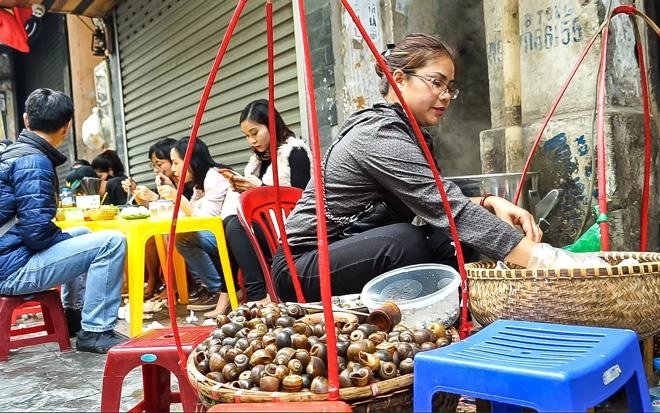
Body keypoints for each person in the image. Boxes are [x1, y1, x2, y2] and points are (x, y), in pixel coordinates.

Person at [271, 33, 605, 303]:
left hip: (348, 248)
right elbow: (448, 208)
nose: (445, 96)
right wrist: (548, 261)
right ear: (399, 79)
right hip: (302, 267)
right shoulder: (378, 136)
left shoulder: (407, 132)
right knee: (404, 242)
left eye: (450, 87)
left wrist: (491, 203)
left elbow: (435, 205)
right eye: (436, 82)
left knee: (447, 239)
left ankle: (458, 310)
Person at [0, 88, 127, 353]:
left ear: (26, 120)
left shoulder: (15, 153)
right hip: (10, 269)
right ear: (67, 126)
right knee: (112, 242)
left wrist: (64, 237)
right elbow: (37, 234)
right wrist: (60, 236)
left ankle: (72, 315)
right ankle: (96, 330)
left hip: (7, 257)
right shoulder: (33, 160)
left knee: (80, 232)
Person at [203, 99, 312, 318]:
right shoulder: (257, 161)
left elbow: (302, 197)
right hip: (266, 223)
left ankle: (257, 295)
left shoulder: (295, 152)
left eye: (255, 132)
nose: (252, 140)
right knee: (228, 223)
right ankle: (232, 291)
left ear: (271, 124)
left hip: (291, 226)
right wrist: (243, 189)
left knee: (235, 226)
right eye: (247, 136)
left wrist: (260, 188)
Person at [157, 137, 231, 311]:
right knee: (180, 236)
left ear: (190, 159)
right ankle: (207, 286)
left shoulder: (215, 177)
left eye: (176, 163)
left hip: (230, 236)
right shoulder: (200, 183)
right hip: (219, 235)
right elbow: (187, 213)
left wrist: (177, 197)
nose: (174, 169)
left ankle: (215, 289)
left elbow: (206, 221)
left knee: (184, 238)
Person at [120, 138, 196, 300]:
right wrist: (136, 192)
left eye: (159, 163)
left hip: (189, 228)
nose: (156, 169)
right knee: (149, 236)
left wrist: (157, 196)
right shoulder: (164, 181)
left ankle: (177, 284)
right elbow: (155, 209)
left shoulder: (189, 180)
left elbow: (186, 209)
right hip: (171, 225)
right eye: (153, 164)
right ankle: (154, 279)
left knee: (163, 236)